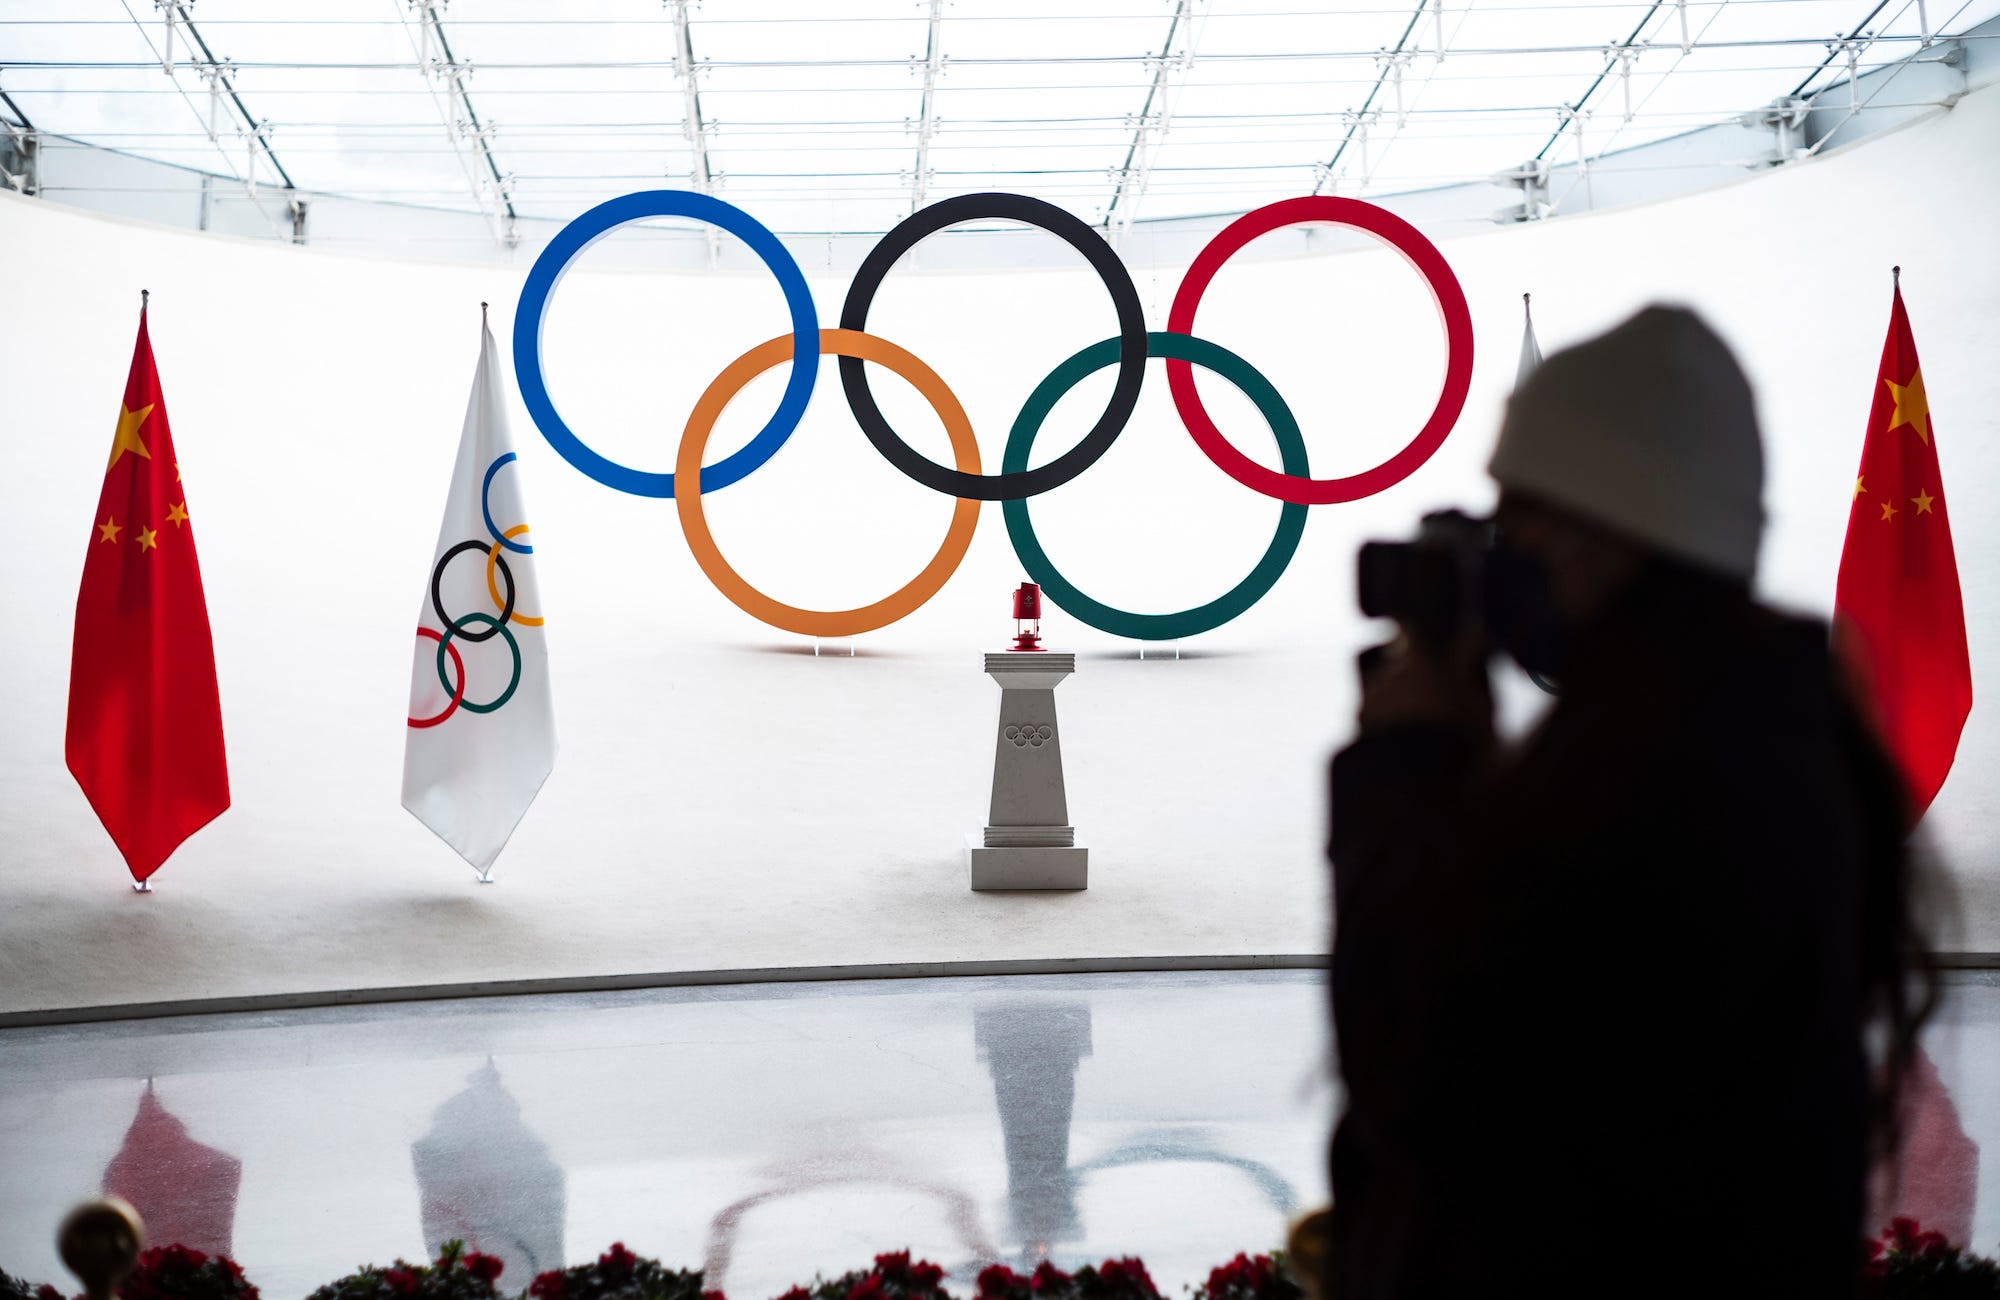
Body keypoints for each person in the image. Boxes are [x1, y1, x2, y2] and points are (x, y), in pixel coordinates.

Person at [1323, 306, 1936, 1299]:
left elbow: (1420, 1065)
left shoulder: (1686, 777)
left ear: (1609, 533)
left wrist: (1404, 772)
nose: (1498, 550)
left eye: (1519, 514)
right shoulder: (1738, 731)